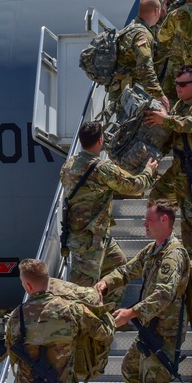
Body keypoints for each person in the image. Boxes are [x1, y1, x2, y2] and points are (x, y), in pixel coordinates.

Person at [94, 200, 189, 383]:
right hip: (150, 330)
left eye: (148, 220)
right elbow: (127, 270)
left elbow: (164, 294)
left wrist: (131, 313)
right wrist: (105, 282)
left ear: (164, 221)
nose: (144, 224)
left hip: (164, 333)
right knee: (129, 369)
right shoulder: (153, 250)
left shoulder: (173, 255)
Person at [61, 121, 158, 306]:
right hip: (89, 240)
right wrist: (148, 171)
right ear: (100, 140)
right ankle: (84, 325)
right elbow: (134, 186)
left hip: (92, 235)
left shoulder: (69, 164)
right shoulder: (101, 168)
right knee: (84, 292)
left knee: (118, 263)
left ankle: (108, 313)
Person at [143, 65, 192, 263]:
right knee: (158, 200)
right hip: (181, 168)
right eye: (177, 83)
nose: (178, 87)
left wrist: (167, 119)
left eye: (183, 84)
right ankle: (165, 246)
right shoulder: (180, 105)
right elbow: (172, 133)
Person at [110, 0, 168, 103]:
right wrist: (157, 93)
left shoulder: (130, 28)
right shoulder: (143, 35)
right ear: (156, 11)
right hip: (132, 94)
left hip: (121, 91)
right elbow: (144, 65)